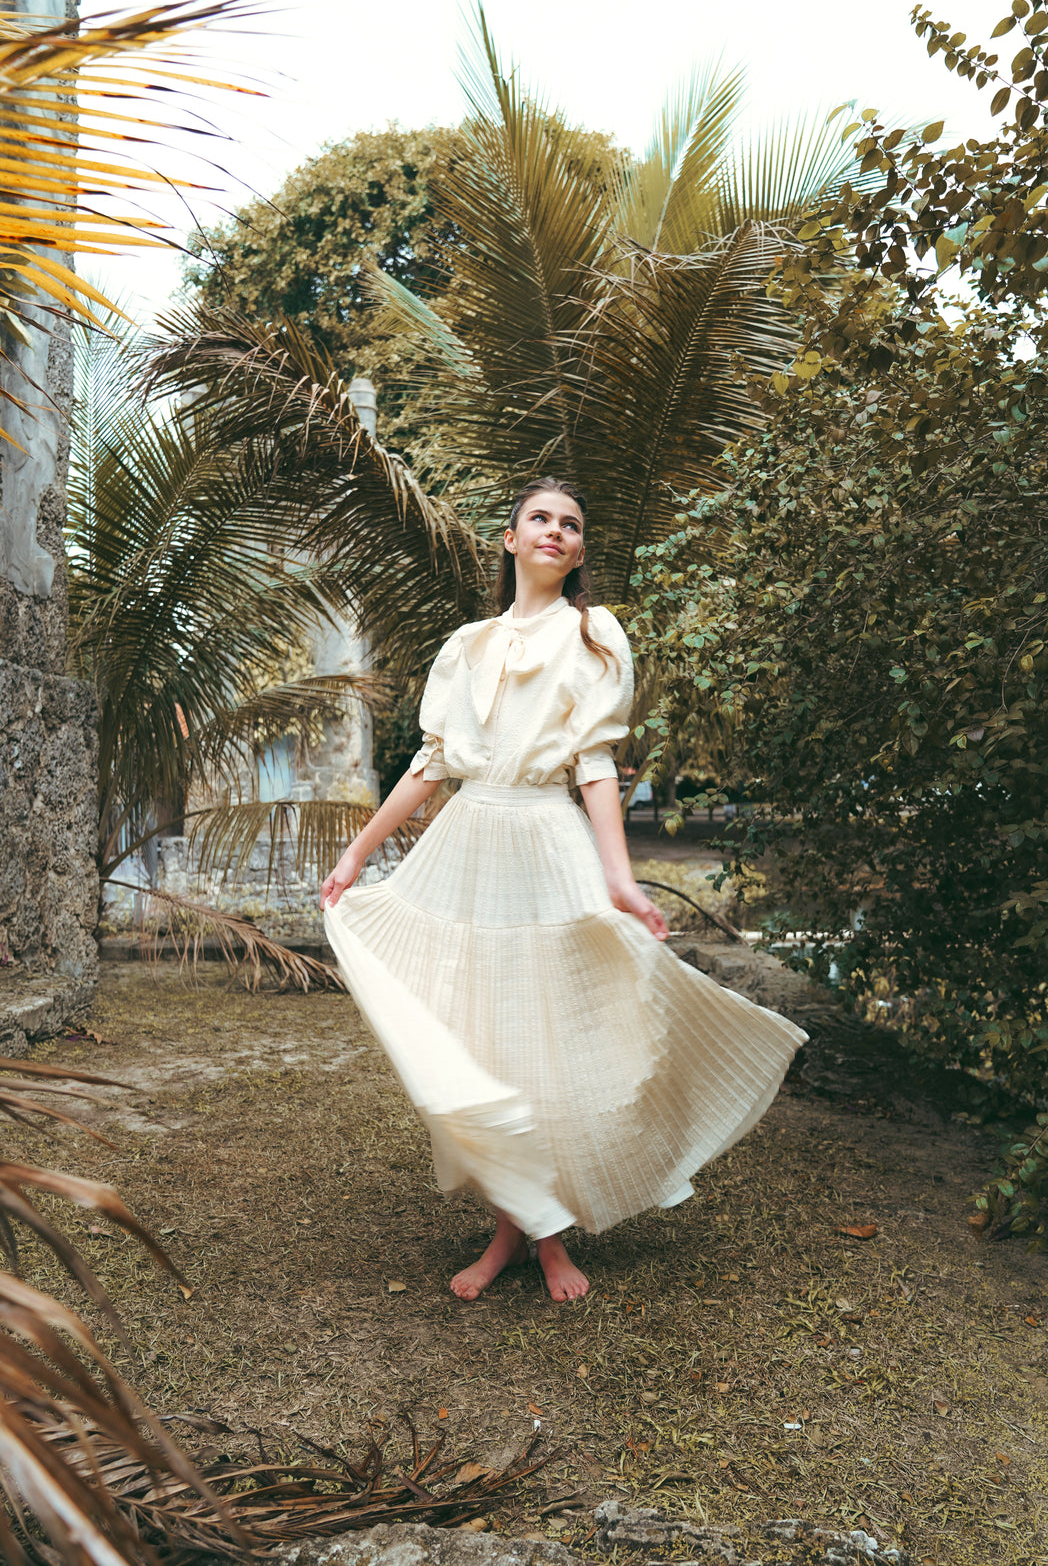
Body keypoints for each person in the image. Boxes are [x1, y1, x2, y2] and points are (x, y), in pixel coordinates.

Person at [320, 479, 806, 1303]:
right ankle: (518, 1229)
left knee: (555, 1036)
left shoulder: (592, 634)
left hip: (546, 842)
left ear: (579, 551)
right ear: (509, 540)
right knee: (483, 1039)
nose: (555, 531)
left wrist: (618, 876)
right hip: (468, 847)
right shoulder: (466, 645)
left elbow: (595, 765)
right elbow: (431, 764)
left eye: (571, 524)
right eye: (540, 519)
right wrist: (357, 853)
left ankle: (539, 1238)